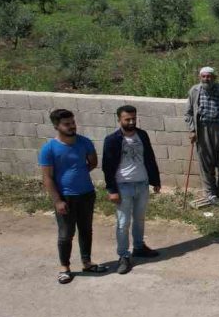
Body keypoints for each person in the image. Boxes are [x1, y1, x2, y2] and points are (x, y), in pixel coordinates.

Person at [38, 109, 107, 284]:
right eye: (66, 124)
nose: (71, 126)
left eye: (73, 122)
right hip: (65, 198)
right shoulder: (49, 149)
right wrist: (58, 200)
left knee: (86, 230)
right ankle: (64, 268)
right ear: (56, 126)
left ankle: (87, 262)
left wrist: (79, 176)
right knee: (65, 234)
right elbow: (47, 177)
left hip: (86, 194)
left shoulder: (84, 142)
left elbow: (92, 162)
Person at [101, 105, 162, 275]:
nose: (131, 122)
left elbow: (149, 157)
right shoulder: (112, 140)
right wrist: (112, 190)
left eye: (134, 118)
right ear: (119, 119)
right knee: (123, 223)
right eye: (127, 119)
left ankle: (139, 247)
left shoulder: (142, 135)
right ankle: (123, 255)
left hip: (142, 183)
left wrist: (155, 180)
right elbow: (107, 167)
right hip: (123, 187)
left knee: (140, 219)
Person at [185, 66, 219, 205]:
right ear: (200, 77)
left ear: (214, 78)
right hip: (202, 130)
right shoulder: (194, 91)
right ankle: (210, 193)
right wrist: (192, 130)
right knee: (205, 163)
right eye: (204, 76)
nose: (206, 79)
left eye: (209, 76)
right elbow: (188, 113)